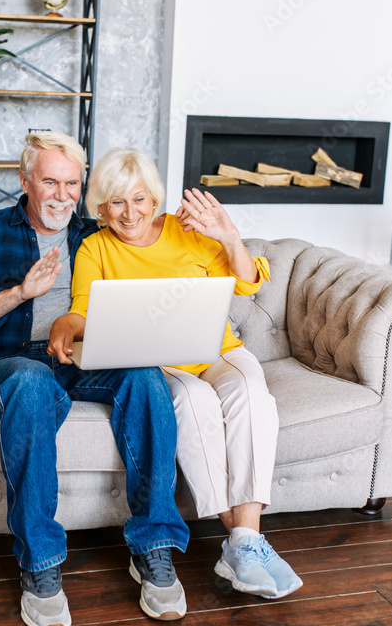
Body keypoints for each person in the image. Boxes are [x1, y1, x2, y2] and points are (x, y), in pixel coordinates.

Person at [0, 132, 191, 626]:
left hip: (84, 356)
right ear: (25, 181)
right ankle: (40, 563)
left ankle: (154, 546)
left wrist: (196, 229)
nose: (62, 195)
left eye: (72, 184)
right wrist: (21, 291)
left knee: (144, 375)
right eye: (50, 182)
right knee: (33, 382)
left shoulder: (94, 235)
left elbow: (150, 238)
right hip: (11, 360)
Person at [49, 147, 303, 600]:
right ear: (101, 208)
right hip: (160, 362)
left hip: (216, 351)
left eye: (140, 200)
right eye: (117, 202)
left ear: (155, 200)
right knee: (194, 402)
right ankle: (245, 543)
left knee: (251, 391)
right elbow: (84, 310)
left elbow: (247, 282)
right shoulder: (95, 246)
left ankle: (244, 541)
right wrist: (66, 324)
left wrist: (228, 235)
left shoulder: (187, 231)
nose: (130, 213)